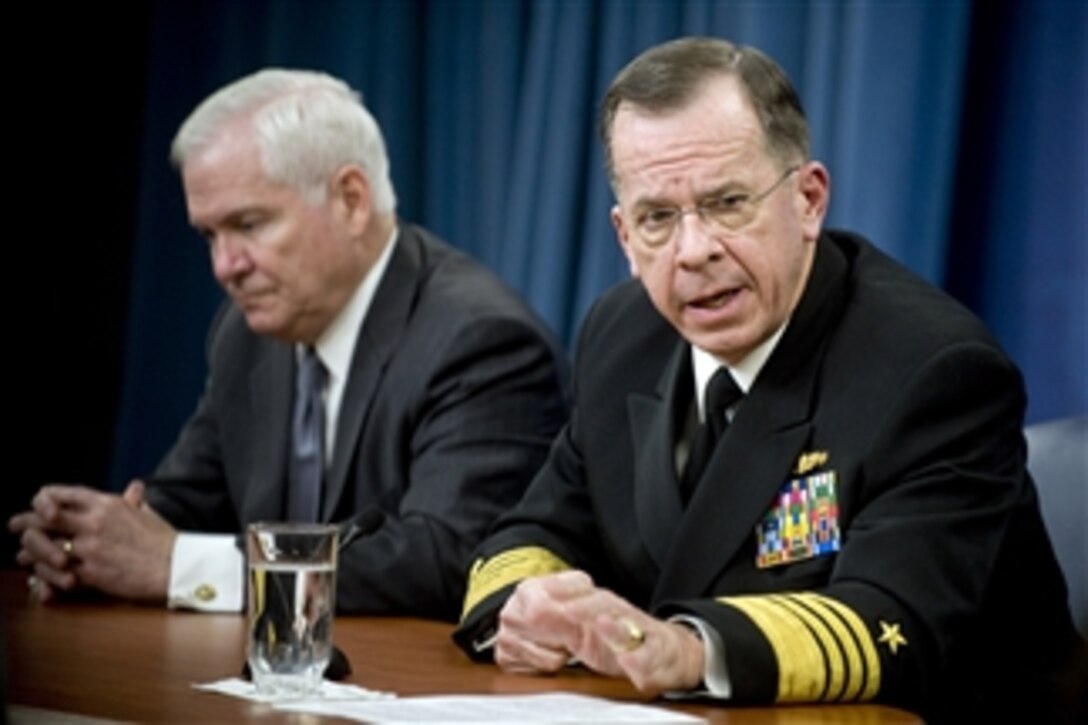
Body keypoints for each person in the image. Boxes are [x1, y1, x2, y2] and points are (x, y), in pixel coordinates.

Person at [453, 37, 1085, 721]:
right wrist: (524, 608)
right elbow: (537, 528)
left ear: (809, 199)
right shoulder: (621, 335)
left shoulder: (933, 371)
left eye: (727, 202)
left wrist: (692, 649)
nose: (695, 252)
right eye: (658, 218)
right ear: (623, 238)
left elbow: (890, 622)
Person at [10, 69, 568, 621]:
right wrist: (86, 542)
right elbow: (179, 505)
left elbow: (451, 560)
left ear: (351, 199)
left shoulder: (480, 339)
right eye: (209, 235)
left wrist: (183, 567)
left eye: (249, 224)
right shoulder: (245, 334)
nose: (225, 266)